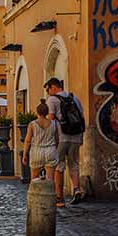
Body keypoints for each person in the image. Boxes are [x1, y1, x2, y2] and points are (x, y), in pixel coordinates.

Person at [45, 77, 85, 206]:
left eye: (48, 89)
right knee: (74, 165)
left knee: (59, 166)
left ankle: (59, 197)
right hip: (76, 136)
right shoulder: (74, 98)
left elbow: (51, 119)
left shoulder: (52, 100)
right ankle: (77, 189)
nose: (47, 92)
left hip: (61, 137)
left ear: (54, 87)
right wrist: (81, 137)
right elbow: (81, 117)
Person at [22, 99, 59, 182]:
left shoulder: (32, 124)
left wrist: (25, 154)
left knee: (34, 179)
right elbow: (57, 139)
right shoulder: (53, 123)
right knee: (50, 180)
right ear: (47, 112)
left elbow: (27, 140)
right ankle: (50, 194)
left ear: (37, 112)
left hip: (36, 151)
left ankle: (35, 194)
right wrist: (55, 149)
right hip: (50, 151)